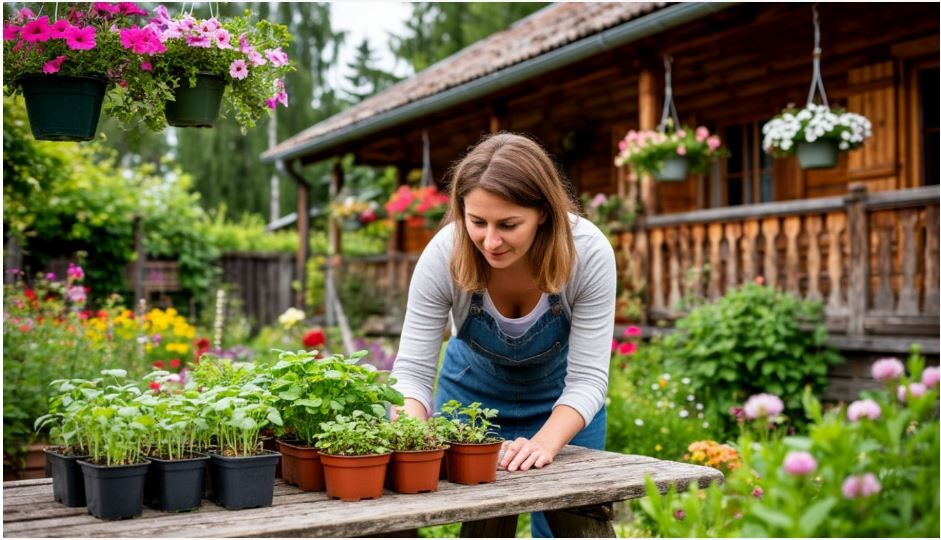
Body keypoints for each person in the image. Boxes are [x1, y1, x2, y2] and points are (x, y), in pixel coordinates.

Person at [390, 132, 616, 538]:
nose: (490, 241)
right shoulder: (445, 253)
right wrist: (411, 431)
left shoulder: (588, 252)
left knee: (572, 525)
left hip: (563, 404)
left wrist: (545, 444)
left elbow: (588, 380)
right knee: (482, 529)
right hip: (470, 401)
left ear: (544, 212)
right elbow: (412, 373)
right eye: (477, 222)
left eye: (509, 224)